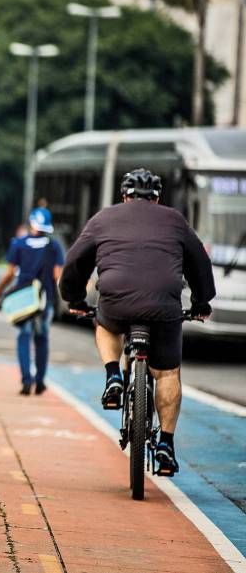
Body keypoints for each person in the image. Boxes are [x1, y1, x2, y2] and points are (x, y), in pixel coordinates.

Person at [60, 168, 215, 476]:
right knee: (167, 373)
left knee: (105, 324)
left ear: (124, 196)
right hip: (164, 304)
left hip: (116, 300)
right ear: (157, 198)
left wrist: (74, 298)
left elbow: (76, 261)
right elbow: (200, 263)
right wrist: (201, 301)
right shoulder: (174, 220)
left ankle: (113, 376)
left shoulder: (103, 218)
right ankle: (165, 445)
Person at [0, 207, 65, 395]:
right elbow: (58, 275)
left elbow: (9, 273)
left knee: (23, 338)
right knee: (42, 340)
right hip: (44, 300)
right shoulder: (54, 246)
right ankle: (40, 381)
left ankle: (26, 380)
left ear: (32, 222)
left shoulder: (18, 244)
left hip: (23, 300)